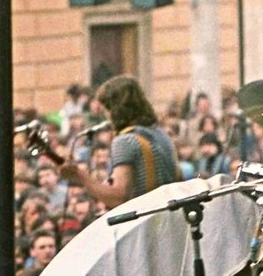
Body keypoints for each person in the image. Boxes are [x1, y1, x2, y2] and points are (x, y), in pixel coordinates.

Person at [57, 74, 177, 208]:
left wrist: (78, 175)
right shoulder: (160, 133)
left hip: (147, 222)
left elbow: (118, 198)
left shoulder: (125, 141)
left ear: (115, 109)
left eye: (107, 108)